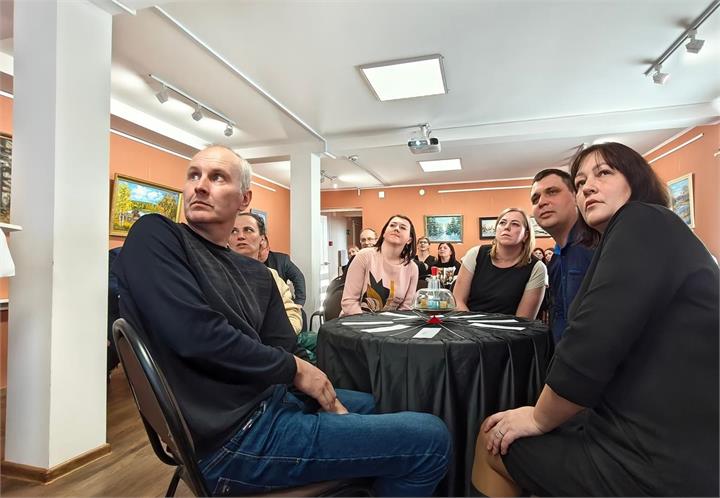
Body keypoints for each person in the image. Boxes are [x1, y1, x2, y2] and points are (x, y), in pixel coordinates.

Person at [114, 146, 451, 496]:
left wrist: (305, 374)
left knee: (385, 403)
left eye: (217, 177)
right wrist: (296, 369)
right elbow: (196, 336)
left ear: (245, 199)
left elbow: (284, 345)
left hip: (272, 401)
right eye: (193, 175)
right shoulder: (157, 234)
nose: (200, 185)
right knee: (430, 439)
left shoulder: (257, 274)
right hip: (234, 438)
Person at [472, 142, 719, 497]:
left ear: (635, 180)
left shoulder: (642, 219)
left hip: (658, 455)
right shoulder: (639, 233)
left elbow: (592, 341)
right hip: (661, 431)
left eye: (603, 173)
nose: (588, 186)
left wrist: (539, 417)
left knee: (490, 438)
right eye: (581, 181)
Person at [530, 168, 595, 343]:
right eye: (535, 199)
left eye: (552, 192)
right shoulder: (555, 260)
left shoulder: (597, 245)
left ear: (576, 196)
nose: (542, 202)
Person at [453, 208, 546, 319]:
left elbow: (523, 319)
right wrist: (472, 325)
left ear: (526, 235)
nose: (506, 227)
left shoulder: (537, 267)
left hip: (510, 328)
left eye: (515, 224)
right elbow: (458, 301)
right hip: (467, 324)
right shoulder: (476, 254)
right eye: (502, 223)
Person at [229, 212, 302, 333]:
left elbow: (292, 314)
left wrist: (281, 336)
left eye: (248, 230)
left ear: (262, 239)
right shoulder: (218, 272)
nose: (240, 236)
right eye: (233, 231)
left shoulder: (271, 275)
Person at [341, 215, 419, 315]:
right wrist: (371, 323)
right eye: (392, 225)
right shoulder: (364, 256)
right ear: (384, 233)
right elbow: (349, 302)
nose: (396, 228)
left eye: (403, 227)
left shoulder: (412, 268)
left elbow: (406, 308)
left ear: (409, 240)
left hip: (393, 323)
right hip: (356, 320)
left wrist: (389, 323)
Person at [258, 241, 306, 306]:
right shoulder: (246, 261)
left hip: (282, 302)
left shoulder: (282, 260)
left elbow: (298, 277)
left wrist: (299, 302)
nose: (258, 252)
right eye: (256, 249)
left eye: (261, 249)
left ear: (268, 249)